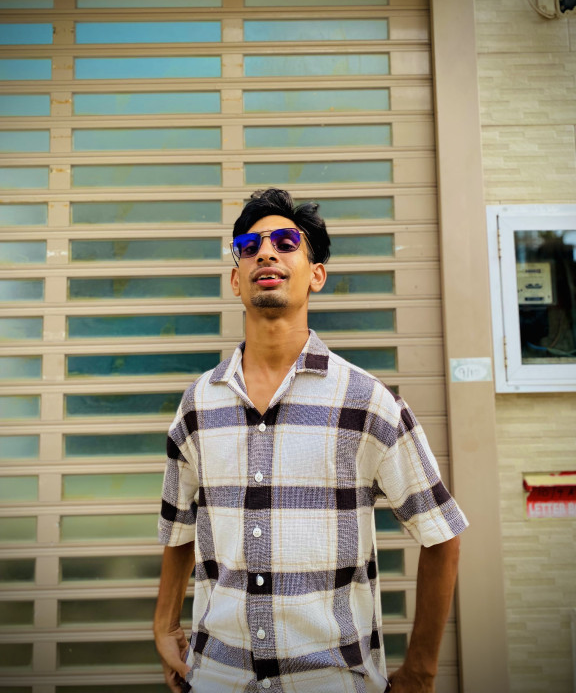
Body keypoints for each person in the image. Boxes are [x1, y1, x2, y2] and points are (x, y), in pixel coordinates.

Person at [154, 188, 468, 693]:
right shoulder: (198, 404)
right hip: (217, 677)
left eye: (285, 242)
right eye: (250, 246)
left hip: (333, 680)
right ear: (236, 279)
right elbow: (178, 526)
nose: (266, 252)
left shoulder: (367, 402)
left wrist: (421, 672)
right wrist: (166, 623)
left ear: (316, 274)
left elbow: (441, 534)